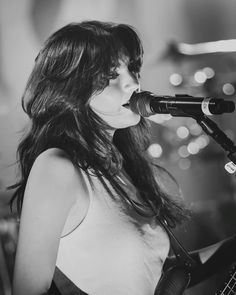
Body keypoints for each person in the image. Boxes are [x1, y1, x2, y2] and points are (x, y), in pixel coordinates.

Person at [10, 20, 236, 295]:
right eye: (110, 75)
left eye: (132, 68)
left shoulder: (123, 167)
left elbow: (157, 275)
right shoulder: (57, 168)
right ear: (73, 89)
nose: (132, 82)